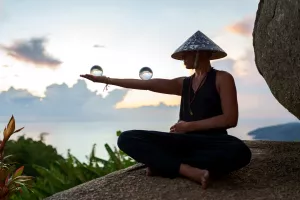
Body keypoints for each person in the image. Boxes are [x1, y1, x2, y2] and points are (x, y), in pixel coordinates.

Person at [80, 30, 252, 189]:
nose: (183, 58)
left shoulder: (222, 78)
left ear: (201, 53)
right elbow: (147, 84)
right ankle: (186, 170)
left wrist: (188, 126)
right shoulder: (183, 83)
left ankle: (164, 165)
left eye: (186, 54)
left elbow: (230, 119)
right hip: (183, 143)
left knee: (240, 151)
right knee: (127, 138)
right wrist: (106, 80)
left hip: (212, 143)